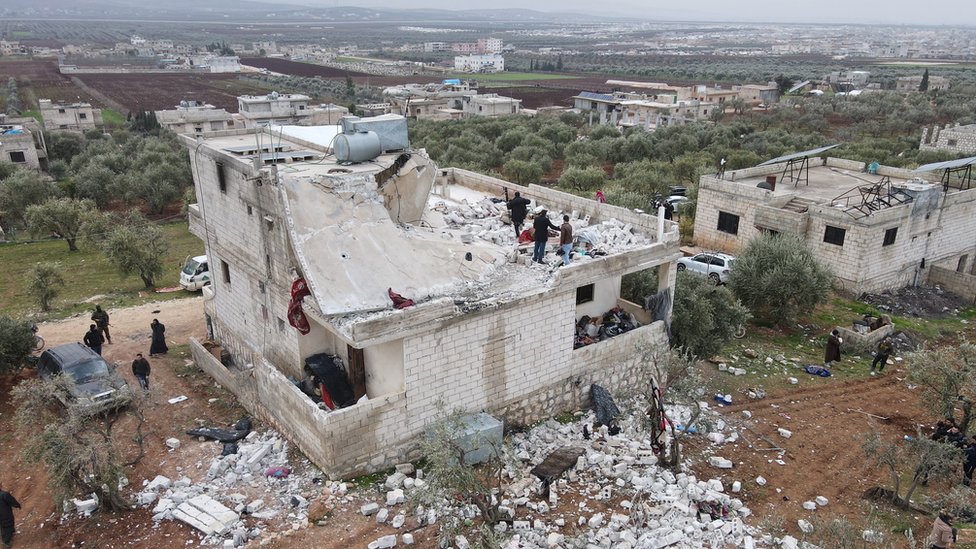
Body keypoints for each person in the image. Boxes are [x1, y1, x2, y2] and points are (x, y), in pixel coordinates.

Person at [0, 484, 20, 548]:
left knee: (3, 526)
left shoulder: (4, 494)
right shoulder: (4, 494)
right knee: (8, 526)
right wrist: (17, 505)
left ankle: (10, 533)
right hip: (5, 515)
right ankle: (6, 542)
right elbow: (12, 501)